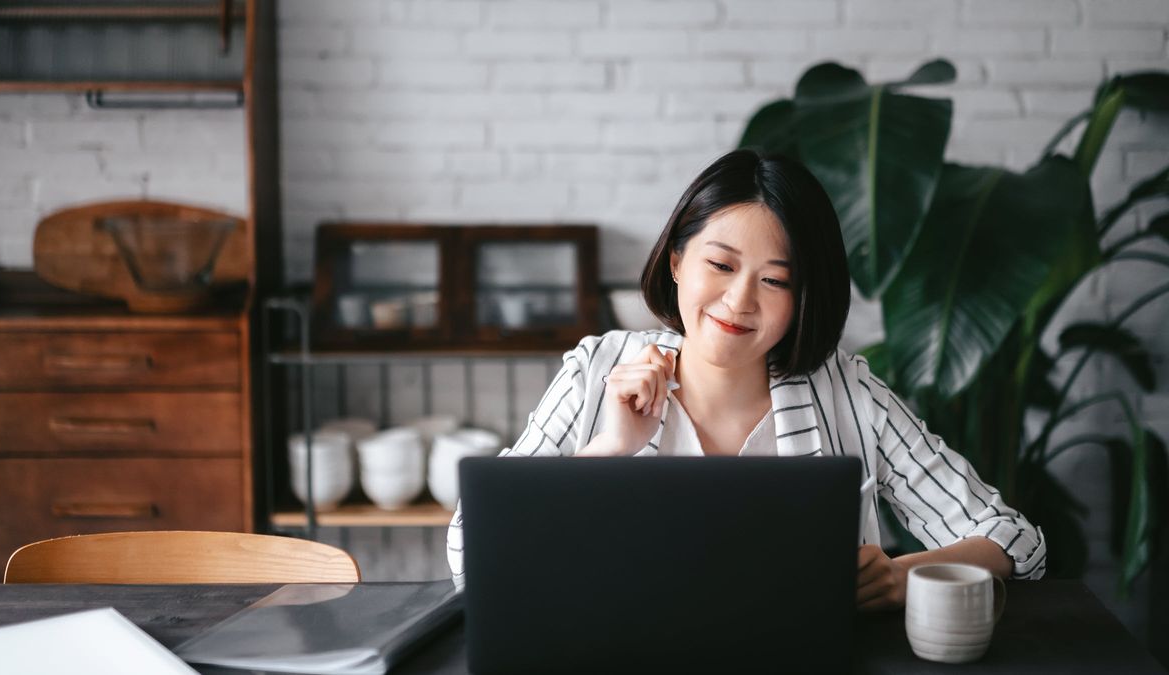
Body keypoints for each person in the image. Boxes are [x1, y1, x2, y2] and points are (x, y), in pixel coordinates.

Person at [446, 149, 1046, 609]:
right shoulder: (597, 371)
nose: (739, 302)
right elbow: (474, 552)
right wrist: (610, 449)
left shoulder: (847, 392)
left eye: (776, 280)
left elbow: (1013, 540)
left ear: (804, 297)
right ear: (677, 261)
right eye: (721, 264)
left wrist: (899, 574)